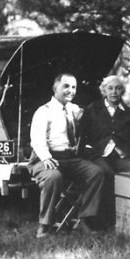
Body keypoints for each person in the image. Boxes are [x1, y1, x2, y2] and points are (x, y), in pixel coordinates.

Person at [27, 72, 107, 239]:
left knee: (96, 172)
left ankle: (86, 219)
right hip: (46, 157)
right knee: (52, 177)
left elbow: (93, 120)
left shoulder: (74, 109)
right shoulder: (44, 111)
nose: (70, 90)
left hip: (71, 158)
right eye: (66, 86)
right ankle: (45, 225)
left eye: (73, 87)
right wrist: (46, 157)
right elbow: (37, 140)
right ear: (55, 88)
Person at [80, 75, 130, 228]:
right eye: (110, 88)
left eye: (118, 88)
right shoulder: (92, 109)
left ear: (122, 91)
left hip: (122, 155)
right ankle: (104, 220)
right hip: (99, 155)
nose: (114, 92)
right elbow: (83, 137)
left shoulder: (129, 113)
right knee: (107, 174)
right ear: (104, 91)